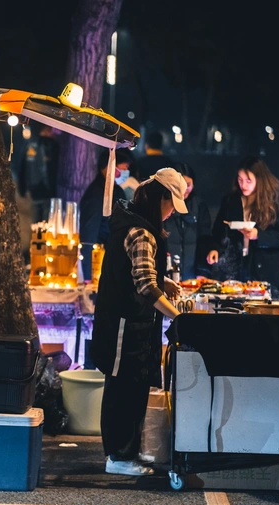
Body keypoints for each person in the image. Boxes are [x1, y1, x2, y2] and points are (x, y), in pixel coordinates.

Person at [91, 167, 185, 476]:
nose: (171, 212)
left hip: (131, 322)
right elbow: (145, 286)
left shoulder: (135, 223)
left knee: (133, 388)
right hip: (124, 323)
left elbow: (142, 275)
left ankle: (126, 453)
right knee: (123, 389)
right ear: (160, 199)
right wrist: (178, 315)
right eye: (171, 204)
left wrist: (164, 284)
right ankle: (118, 457)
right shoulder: (141, 232)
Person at [206, 156, 279, 286]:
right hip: (233, 267)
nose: (243, 185)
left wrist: (258, 235)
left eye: (248, 180)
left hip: (262, 268)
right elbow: (218, 230)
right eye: (240, 180)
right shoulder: (231, 201)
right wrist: (215, 249)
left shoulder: (275, 203)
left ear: (260, 180)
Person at [78, 149, 127, 280]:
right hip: (99, 262)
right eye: (122, 169)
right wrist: (89, 277)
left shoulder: (117, 191)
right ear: (107, 168)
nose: (125, 173)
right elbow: (89, 238)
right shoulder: (96, 195)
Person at [165, 163, 212, 280]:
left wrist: (203, 271)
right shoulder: (164, 204)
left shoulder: (199, 205)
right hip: (168, 274)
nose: (185, 189)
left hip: (192, 275)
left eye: (188, 185)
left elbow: (204, 238)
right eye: (181, 185)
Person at [17, 123, 59, 223]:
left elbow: (22, 168)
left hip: (34, 191)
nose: (52, 132)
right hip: (47, 191)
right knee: (46, 225)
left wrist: (22, 189)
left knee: (36, 226)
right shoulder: (51, 145)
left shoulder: (28, 145)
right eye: (50, 129)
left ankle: (36, 238)